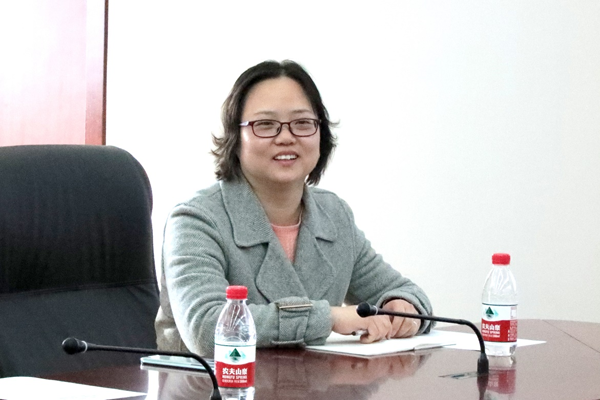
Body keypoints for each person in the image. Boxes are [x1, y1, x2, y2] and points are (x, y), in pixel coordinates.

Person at [155, 60, 433, 357]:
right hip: (214, 382)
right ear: (236, 138)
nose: (286, 137)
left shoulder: (333, 215)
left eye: (302, 123)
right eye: (265, 125)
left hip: (313, 380)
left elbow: (405, 292)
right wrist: (329, 318)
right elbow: (207, 328)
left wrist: (403, 307)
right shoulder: (196, 219)